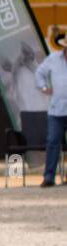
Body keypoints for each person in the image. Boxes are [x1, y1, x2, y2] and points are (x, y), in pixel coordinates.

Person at [34, 32, 67, 187]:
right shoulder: (53, 59)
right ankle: (49, 177)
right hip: (56, 110)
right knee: (53, 142)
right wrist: (44, 87)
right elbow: (39, 73)